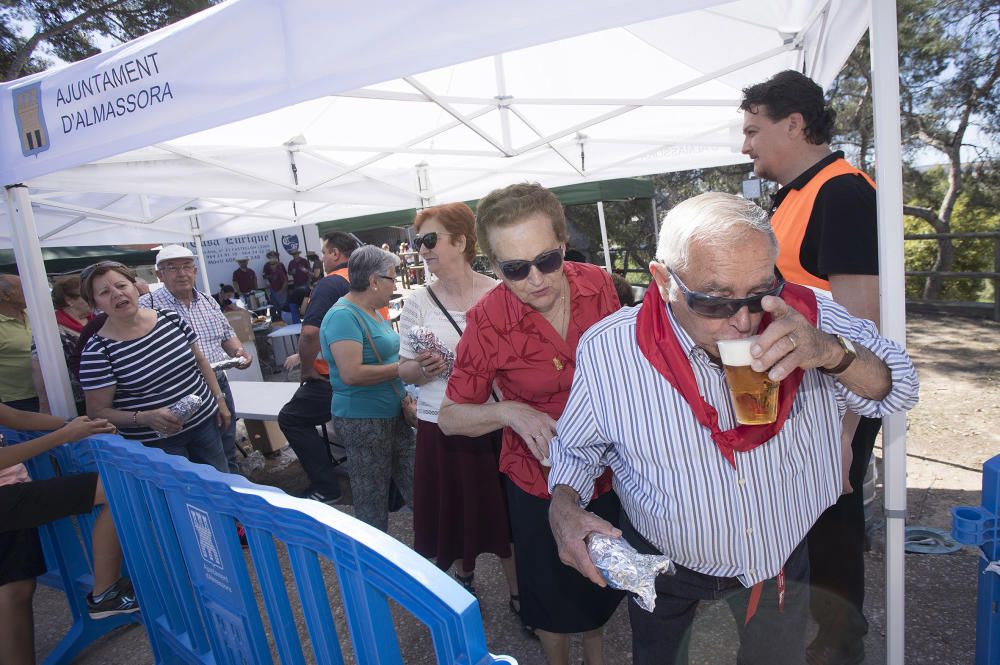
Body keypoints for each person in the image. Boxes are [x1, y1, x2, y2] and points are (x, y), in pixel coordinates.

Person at [547, 193, 919, 665]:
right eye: (714, 301)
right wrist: (563, 509)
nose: (743, 322)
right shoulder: (612, 349)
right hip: (663, 559)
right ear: (663, 281)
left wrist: (829, 353)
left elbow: (900, 387)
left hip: (777, 555)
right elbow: (577, 450)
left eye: (762, 293)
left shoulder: (811, 316)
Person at [438, 183, 623, 665]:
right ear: (494, 268)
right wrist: (508, 411)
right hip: (536, 481)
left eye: (547, 260)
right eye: (515, 269)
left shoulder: (598, 285)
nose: (536, 279)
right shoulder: (487, 320)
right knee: (553, 600)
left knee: (601, 584)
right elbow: (451, 417)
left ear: (563, 245)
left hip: (607, 470)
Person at [741, 70, 880, 665]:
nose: (743, 144)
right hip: (797, 398)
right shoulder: (795, 195)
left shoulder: (842, 194)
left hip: (833, 404)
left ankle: (839, 645)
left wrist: (847, 435)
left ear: (794, 125)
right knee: (800, 524)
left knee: (831, 527)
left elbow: (862, 325)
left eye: (752, 130)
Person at [397, 203, 519, 608]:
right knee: (453, 516)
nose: (422, 250)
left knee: (505, 519)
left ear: (462, 241)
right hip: (440, 423)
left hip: (494, 423)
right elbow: (404, 371)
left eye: (430, 240)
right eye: (419, 243)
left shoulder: (500, 293)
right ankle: (461, 584)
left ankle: (520, 596)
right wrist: (422, 368)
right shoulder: (417, 303)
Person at [0, 406, 137, 665]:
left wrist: (71, 423)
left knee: (15, 590)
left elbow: (16, 417)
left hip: (10, 492)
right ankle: (106, 592)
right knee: (112, 488)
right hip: (6, 499)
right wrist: (64, 434)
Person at [78, 261, 231, 472]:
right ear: (95, 304)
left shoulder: (170, 318)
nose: (116, 294)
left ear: (135, 287)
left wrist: (219, 400)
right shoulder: (98, 351)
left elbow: (200, 361)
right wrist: (145, 417)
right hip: (158, 445)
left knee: (222, 486)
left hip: (205, 425)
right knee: (185, 500)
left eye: (121, 286)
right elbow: (97, 412)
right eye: (104, 292)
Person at [320, 245, 414, 531]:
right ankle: (372, 564)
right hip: (363, 420)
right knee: (370, 497)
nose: (396, 284)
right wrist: (403, 369)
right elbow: (351, 373)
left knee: (416, 482)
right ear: (374, 280)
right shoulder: (342, 316)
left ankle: (434, 552)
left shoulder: (371, 310)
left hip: (391, 412)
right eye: (392, 277)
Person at [139, 245, 253, 474]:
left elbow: (226, 336)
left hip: (218, 382)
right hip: (181, 390)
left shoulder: (207, 301)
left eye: (186, 267)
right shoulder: (147, 306)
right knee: (194, 458)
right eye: (172, 268)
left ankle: (231, 491)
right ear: (159, 275)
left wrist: (239, 353)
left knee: (226, 444)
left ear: (195, 271)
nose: (181, 273)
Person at [277, 231, 359, 505]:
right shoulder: (365, 278)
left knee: (291, 418)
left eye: (324, 252)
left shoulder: (330, 283)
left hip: (332, 376)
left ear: (336, 253)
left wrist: (306, 368)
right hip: (366, 373)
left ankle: (325, 486)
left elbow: (309, 334)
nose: (322, 258)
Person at [51, 275, 93, 414]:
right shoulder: (54, 330)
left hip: (105, 391)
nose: (92, 298)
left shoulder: (97, 319)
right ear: (69, 300)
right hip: (77, 399)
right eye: (86, 295)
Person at [0, 275, 39, 413]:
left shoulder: (35, 313)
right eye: (24, 288)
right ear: (5, 295)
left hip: (51, 390)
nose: (30, 291)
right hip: (18, 401)